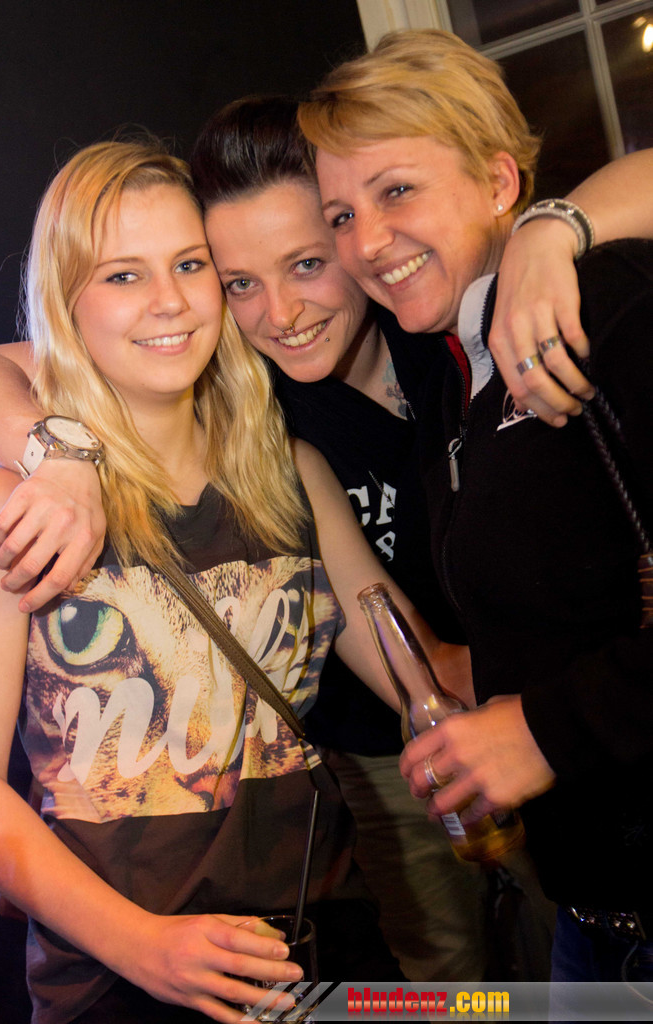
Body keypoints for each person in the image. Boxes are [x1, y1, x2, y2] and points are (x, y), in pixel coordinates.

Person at [0, 137, 473, 1024]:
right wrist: (141, 946)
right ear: (66, 301)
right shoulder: (9, 508)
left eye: (189, 264)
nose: (168, 301)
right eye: (122, 275)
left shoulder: (291, 476)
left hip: (323, 948)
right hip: (121, 981)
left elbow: (419, 673)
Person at [297, 27, 653, 992]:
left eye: (396, 191)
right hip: (597, 921)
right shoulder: (460, 377)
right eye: (340, 215)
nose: (365, 244)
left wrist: (541, 729)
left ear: (499, 182)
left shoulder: (605, 304)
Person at [190, 94, 487, 983]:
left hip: (532, 701)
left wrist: (556, 232)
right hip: (382, 752)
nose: (280, 313)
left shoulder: (443, 321)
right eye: (240, 283)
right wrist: (51, 455)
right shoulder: (247, 406)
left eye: (307, 264)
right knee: (453, 985)